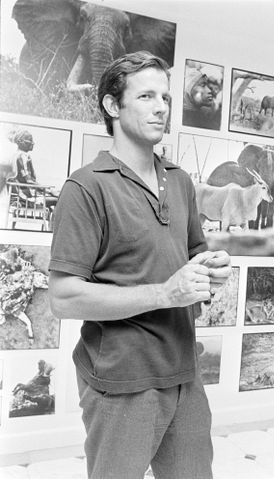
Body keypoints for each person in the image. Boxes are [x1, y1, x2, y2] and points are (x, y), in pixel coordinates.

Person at [48, 51, 231, 479]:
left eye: (165, 98)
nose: (161, 107)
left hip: (185, 374)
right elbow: (62, 297)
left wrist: (211, 268)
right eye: (146, 96)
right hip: (120, 383)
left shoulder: (181, 180)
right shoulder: (86, 188)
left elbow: (191, 258)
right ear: (113, 106)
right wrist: (166, 292)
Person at [183, 66, 221, 130]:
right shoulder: (185, 120)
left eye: (207, 86)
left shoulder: (203, 119)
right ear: (188, 89)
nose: (209, 91)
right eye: (203, 85)